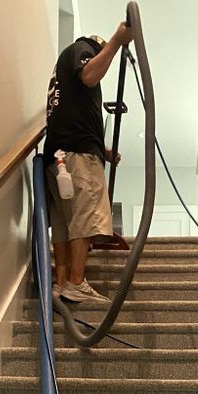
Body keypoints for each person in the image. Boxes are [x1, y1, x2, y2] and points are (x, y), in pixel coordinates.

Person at [44, 21, 134, 302]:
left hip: (58, 156)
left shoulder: (61, 73)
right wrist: (116, 42)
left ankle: (60, 283)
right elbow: (90, 75)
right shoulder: (82, 49)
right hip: (79, 156)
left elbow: (71, 116)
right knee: (85, 215)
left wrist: (103, 150)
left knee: (63, 221)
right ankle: (76, 282)